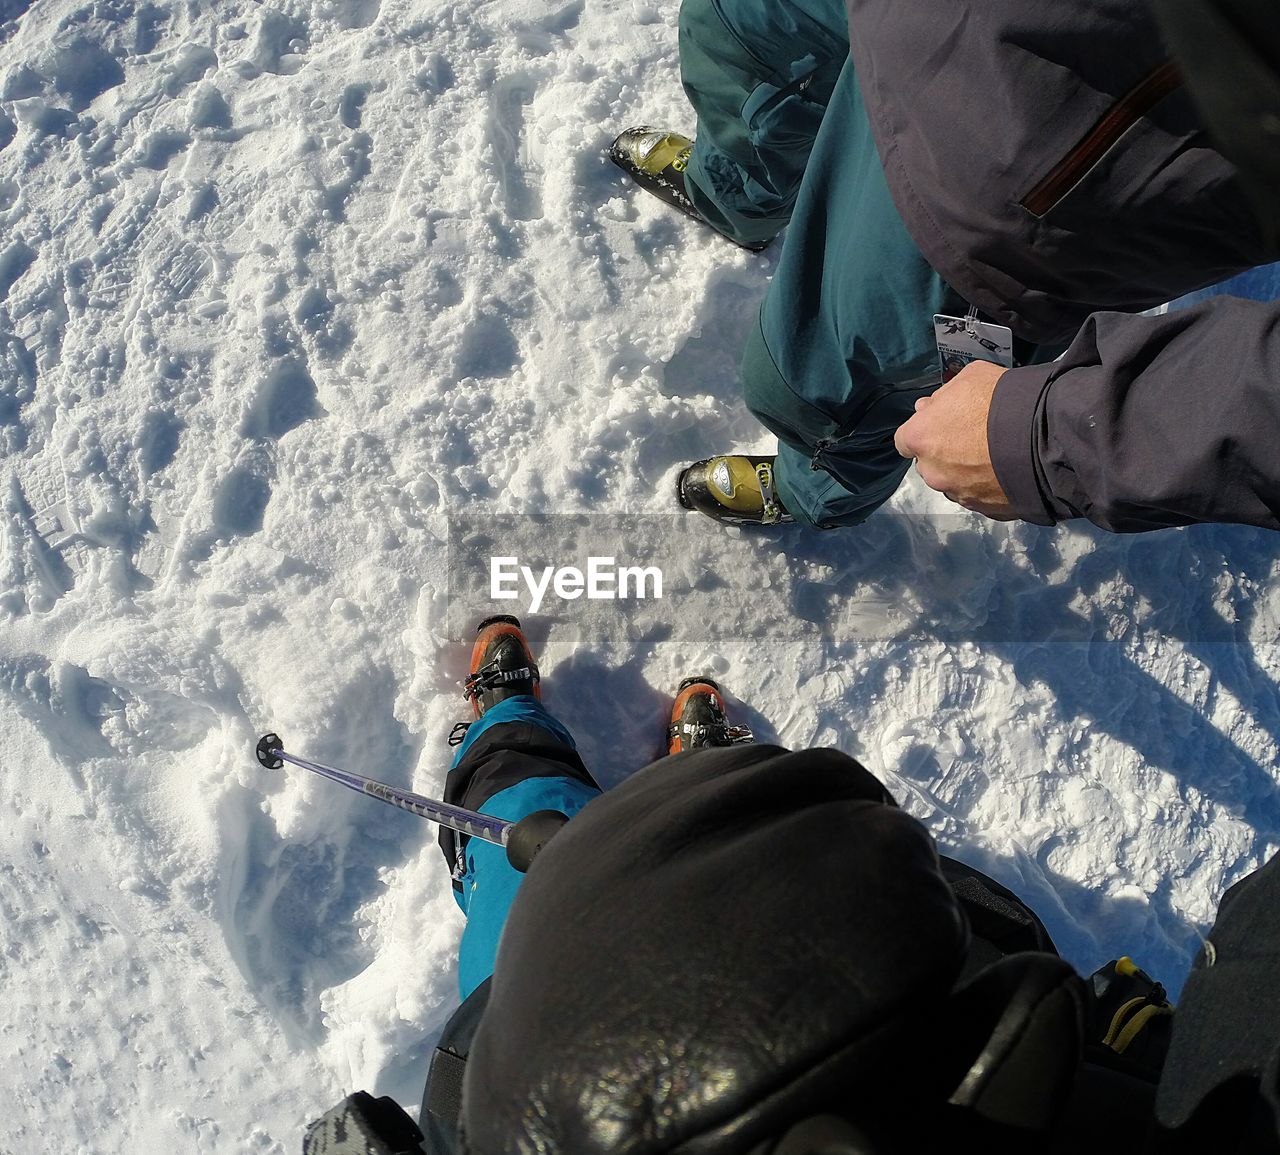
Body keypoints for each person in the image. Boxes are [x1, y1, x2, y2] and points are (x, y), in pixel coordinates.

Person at [306, 616, 1280, 1155]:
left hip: (524, 1077)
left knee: (531, 865)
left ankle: (507, 727)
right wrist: (1140, 1048)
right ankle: (707, 769)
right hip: (994, 1058)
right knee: (813, 865)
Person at [611, 0, 1279, 534]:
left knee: (820, 379)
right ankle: (734, 192)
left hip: (1025, 172)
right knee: (734, 28)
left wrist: (1058, 431)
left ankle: (815, 486)